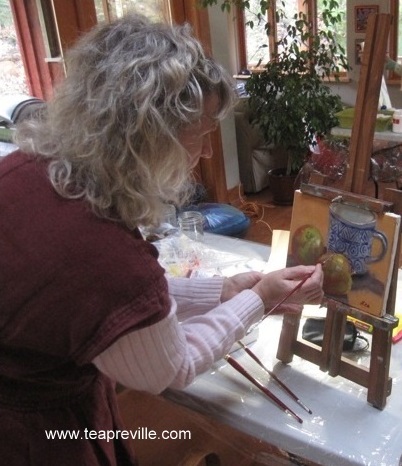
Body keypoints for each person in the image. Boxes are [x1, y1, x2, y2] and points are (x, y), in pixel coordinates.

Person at [0, 12, 323, 466]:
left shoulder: (26, 170)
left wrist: (222, 291)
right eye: (202, 132)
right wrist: (260, 299)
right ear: (149, 131)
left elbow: (102, 297)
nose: (207, 151)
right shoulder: (105, 253)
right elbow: (171, 366)